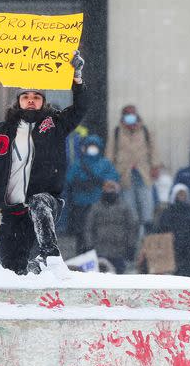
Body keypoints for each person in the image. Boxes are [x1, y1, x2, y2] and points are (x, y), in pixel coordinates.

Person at [0, 51, 85, 276]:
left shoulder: (55, 125)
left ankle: (50, 256)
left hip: (46, 204)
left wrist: (77, 78)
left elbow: (80, 108)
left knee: (39, 201)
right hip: (11, 214)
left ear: (43, 101)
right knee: (15, 273)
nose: (31, 100)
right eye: (25, 96)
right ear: (18, 101)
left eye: (36, 96)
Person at [108, 104, 159, 233]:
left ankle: (147, 236)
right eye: (127, 114)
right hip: (124, 175)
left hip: (143, 174)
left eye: (132, 114)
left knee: (146, 207)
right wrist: (110, 174)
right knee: (130, 209)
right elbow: (109, 154)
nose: (130, 117)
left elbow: (154, 151)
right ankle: (133, 235)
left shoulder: (146, 131)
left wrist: (155, 167)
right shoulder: (116, 132)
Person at [65, 135, 119, 253]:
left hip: (97, 203)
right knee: (81, 231)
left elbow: (113, 178)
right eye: (90, 146)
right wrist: (82, 182)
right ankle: (82, 253)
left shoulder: (105, 163)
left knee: (96, 230)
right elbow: (69, 179)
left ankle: (94, 253)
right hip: (82, 204)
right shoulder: (79, 163)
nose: (92, 149)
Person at [83, 180, 136, 274]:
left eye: (112, 189)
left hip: (119, 250)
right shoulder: (96, 208)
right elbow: (88, 228)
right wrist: (89, 245)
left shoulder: (125, 207)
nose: (109, 192)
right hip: (100, 250)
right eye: (107, 189)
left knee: (119, 277)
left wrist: (130, 245)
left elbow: (131, 227)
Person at [155, 184, 190, 277]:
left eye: (183, 194)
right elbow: (161, 229)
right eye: (179, 194)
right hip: (171, 246)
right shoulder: (168, 212)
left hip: (189, 247)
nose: (182, 197)